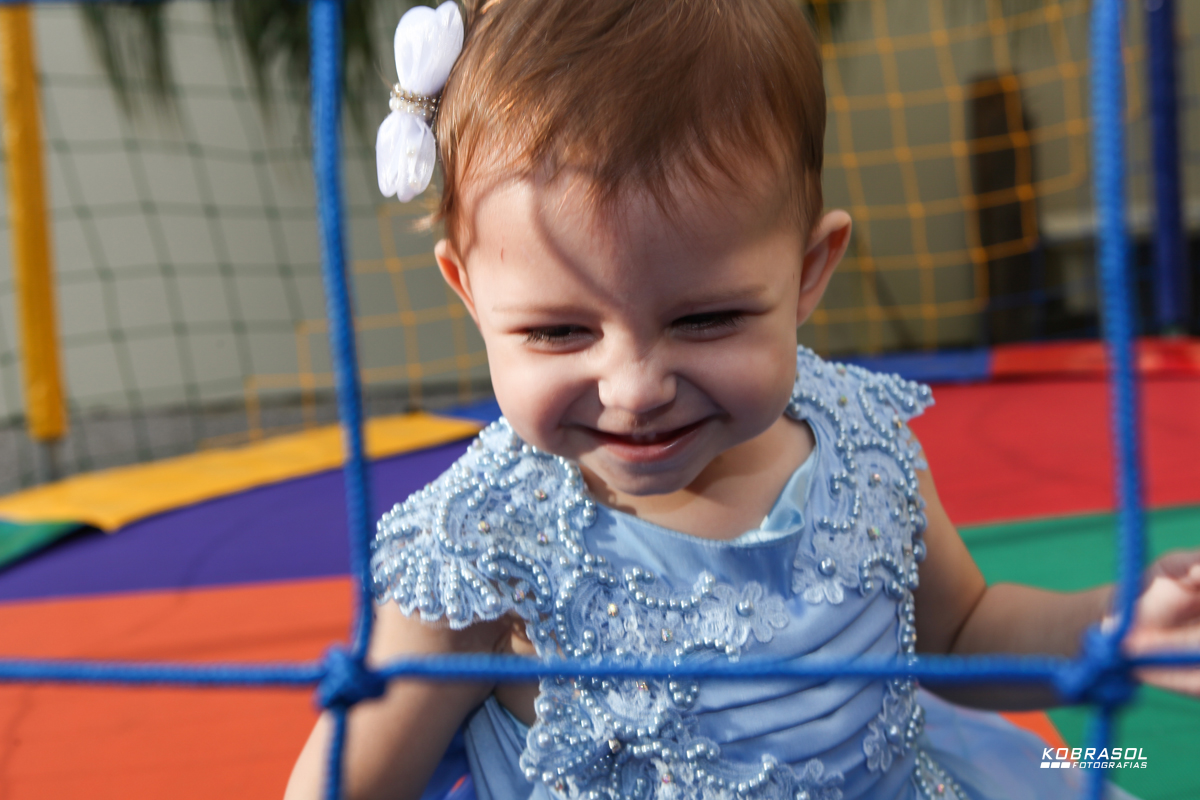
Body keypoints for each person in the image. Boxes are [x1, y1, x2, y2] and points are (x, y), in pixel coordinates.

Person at [286, 0, 1200, 797]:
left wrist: (1109, 622)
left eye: (708, 320)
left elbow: (958, 630)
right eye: (559, 332)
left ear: (809, 273)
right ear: (470, 292)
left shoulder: (859, 444)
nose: (635, 389)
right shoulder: (486, 546)